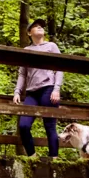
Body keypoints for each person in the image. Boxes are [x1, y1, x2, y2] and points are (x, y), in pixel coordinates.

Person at [12, 19, 63, 157]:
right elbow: (22, 73)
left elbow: (60, 68)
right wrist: (17, 92)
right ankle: (32, 157)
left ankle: (54, 159)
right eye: (35, 26)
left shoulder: (51, 46)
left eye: (41, 26)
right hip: (32, 93)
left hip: (48, 89)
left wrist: (56, 88)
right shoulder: (26, 50)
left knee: (50, 126)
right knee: (23, 125)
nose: (39, 27)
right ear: (29, 33)